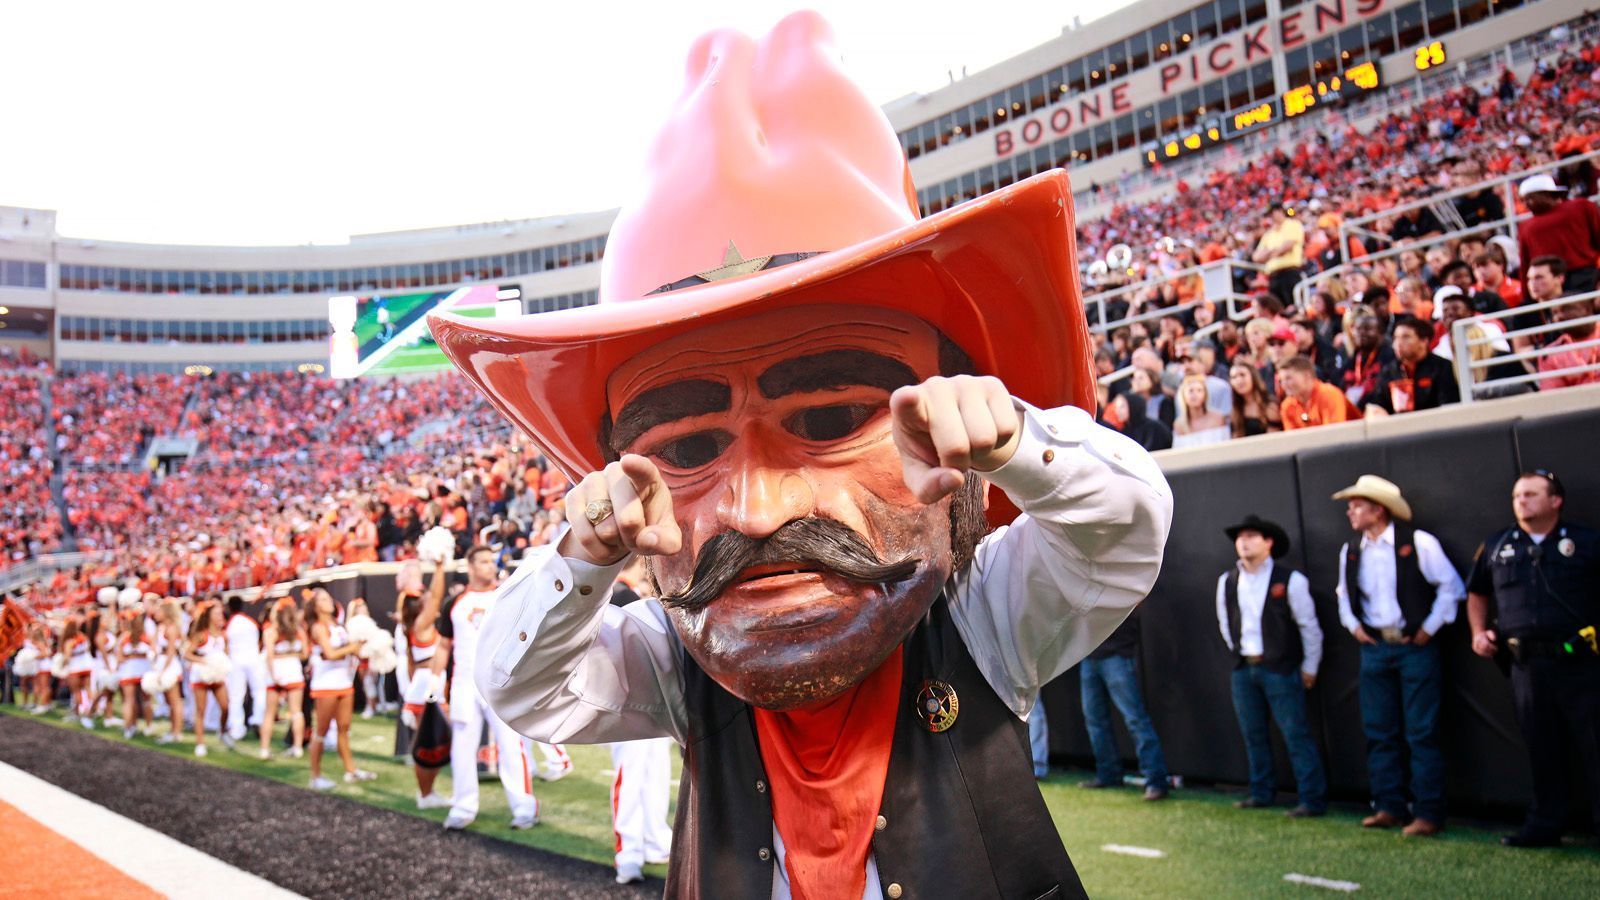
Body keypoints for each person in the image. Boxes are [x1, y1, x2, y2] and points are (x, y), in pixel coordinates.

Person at [432, 13, 1171, 897]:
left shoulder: (983, 625)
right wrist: (581, 558)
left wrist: (1016, 441)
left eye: (825, 422)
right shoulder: (676, 660)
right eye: (693, 448)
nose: (755, 509)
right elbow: (520, 687)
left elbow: (1123, 532)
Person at [1466, 471, 1600, 848]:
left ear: (1555, 500)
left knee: (1593, 744)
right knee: (1541, 747)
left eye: (1530, 494)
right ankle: (1545, 825)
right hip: (1525, 666)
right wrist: (1478, 632)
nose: (1521, 501)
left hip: (1580, 662)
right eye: (1516, 495)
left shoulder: (1586, 541)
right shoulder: (1497, 545)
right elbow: (1476, 593)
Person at [1333, 476, 1466, 837]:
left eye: (1357, 504)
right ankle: (1388, 806)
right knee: (1378, 731)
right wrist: (1354, 626)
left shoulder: (1418, 543)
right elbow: (1344, 595)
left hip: (1414, 648)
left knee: (1421, 732)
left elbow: (1451, 587)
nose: (1350, 511)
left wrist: (1429, 627)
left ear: (1378, 509)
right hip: (1374, 649)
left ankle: (1428, 812)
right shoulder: (1351, 550)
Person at [1216, 515, 1325, 817]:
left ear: (1268, 542)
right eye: (1240, 537)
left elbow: (1310, 628)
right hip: (1243, 667)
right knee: (1253, 733)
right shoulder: (1228, 581)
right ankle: (1262, 792)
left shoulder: (1291, 580)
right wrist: (1239, 651)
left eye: (1251, 536)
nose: (1244, 542)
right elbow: (1226, 624)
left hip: (1281, 668)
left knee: (1295, 733)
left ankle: (1312, 798)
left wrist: (1310, 667)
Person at [436, 545, 541, 831]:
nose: (489, 566)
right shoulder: (454, 603)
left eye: (490, 561)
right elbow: (444, 645)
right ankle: (463, 807)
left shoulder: (507, 595)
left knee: (511, 745)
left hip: (500, 680)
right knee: (462, 746)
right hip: (463, 683)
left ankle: (524, 808)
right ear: (469, 567)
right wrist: (435, 684)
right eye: (482, 561)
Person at [607, 558, 675, 884]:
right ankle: (628, 853)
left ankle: (654, 840)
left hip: (651, 701)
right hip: (628, 702)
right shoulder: (619, 595)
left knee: (655, 775)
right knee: (631, 777)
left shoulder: (630, 594)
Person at [1077, 609, 1170, 801]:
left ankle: (1156, 780)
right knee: (1095, 720)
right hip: (1089, 655)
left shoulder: (1122, 579)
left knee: (1135, 719)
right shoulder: (1086, 579)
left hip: (1117, 654)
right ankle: (1108, 774)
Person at [306, 588, 375, 789]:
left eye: (329, 598)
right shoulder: (318, 627)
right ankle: (315, 775)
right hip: (326, 684)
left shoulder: (338, 626)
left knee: (344, 729)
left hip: (344, 682)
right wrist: (351, 648)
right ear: (316, 605)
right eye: (324, 599)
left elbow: (345, 651)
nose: (330, 602)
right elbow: (330, 653)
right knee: (321, 731)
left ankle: (350, 771)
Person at [398, 556, 451, 809]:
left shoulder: (415, 626)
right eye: (426, 600)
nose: (432, 601)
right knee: (429, 744)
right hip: (427, 686)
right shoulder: (422, 623)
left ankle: (427, 793)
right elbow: (437, 596)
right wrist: (440, 567)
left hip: (424, 684)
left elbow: (410, 666)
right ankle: (426, 794)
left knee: (433, 742)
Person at [1516, 175, 1600, 295]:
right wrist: (1526, 295)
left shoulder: (1582, 206)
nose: (1527, 204)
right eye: (1523, 200)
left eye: (1530, 198)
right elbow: (1525, 263)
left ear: (1548, 194)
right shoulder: (1525, 226)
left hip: (1586, 274)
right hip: (1548, 283)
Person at [1366, 317, 1460, 415]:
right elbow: (1377, 404)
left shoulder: (1442, 367)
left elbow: (1448, 404)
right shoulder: (1388, 371)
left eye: (1406, 337)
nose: (1398, 343)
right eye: (1396, 337)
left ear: (1424, 341)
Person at [182, 601, 232, 756]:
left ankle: (222, 732)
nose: (220, 616)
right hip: (201, 675)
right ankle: (200, 743)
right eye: (216, 613)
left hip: (217, 675)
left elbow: (225, 653)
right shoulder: (201, 634)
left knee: (225, 706)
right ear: (208, 616)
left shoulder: (223, 634)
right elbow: (187, 653)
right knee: (201, 710)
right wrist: (203, 661)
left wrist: (221, 664)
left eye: (220, 613)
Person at [260, 598, 308, 760]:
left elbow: (270, 656)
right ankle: (298, 747)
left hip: (276, 673)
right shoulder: (299, 631)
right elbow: (304, 654)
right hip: (293, 671)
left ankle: (264, 749)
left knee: (269, 713)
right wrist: (291, 655)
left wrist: (274, 675)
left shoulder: (271, 631)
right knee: (296, 712)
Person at [224, 596, 267, 745]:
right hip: (254, 658)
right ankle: (258, 719)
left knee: (236, 695)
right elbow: (261, 640)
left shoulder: (229, 624)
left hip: (236, 660)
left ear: (229, 608)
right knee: (259, 691)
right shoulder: (251, 622)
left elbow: (225, 644)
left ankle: (237, 728)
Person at [1536, 294, 1600, 391]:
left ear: (1586, 309)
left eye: (1566, 309)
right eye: (1555, 313)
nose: (1560, 316)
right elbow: (1553, 398)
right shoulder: (1550, 354)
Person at [1253, 201, 1306, 309]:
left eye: (1272, 213)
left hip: (1289, 272)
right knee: (1277, 309)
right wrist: (1274, 252)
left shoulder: (1292, 224)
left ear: (1279, 211)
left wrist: (1268, 254)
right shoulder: (1269, 233)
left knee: (1293, 306)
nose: (1270, 217)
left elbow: (1288, 246)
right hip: (1273, 277)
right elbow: (1256, 257)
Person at [1279, 356, 1354, 430]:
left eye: (1288, 378)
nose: (1284, 384)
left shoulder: (1329, 394)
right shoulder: (1287, 406)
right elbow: (1293, 439)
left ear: (1306, 376)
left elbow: (1335, 434)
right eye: (1281, 380)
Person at [1340, 313, 1396, 409]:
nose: (1361, 333)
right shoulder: (1350, 359)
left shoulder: (1389, 357)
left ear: (1380, 334)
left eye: (1367, 329)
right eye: (1358, 329)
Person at [115, 608, 155, 740]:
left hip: (128, 671)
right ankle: (149, 726)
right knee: (146, 700)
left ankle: (129, 728)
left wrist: (130, 657)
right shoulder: (147, 637)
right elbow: (154, 654)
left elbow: (119, 658)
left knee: (128, 701)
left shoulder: (124, 637)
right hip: (144, 670)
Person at [1171, 374, 1230, 448]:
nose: (1195, 394)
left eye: (1199, 390)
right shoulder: (1179, 425)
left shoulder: (1218, 418)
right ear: (1183, 395)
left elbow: (1226, 445)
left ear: (1205, 395)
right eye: (1190, 391)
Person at [1228, 361, 1281, 437]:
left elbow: (1274, 439)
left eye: (1242, 375)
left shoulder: (1269, 405)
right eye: (1234, 377)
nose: (1238, 380)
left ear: (1253, 376)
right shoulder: (1235, 409)